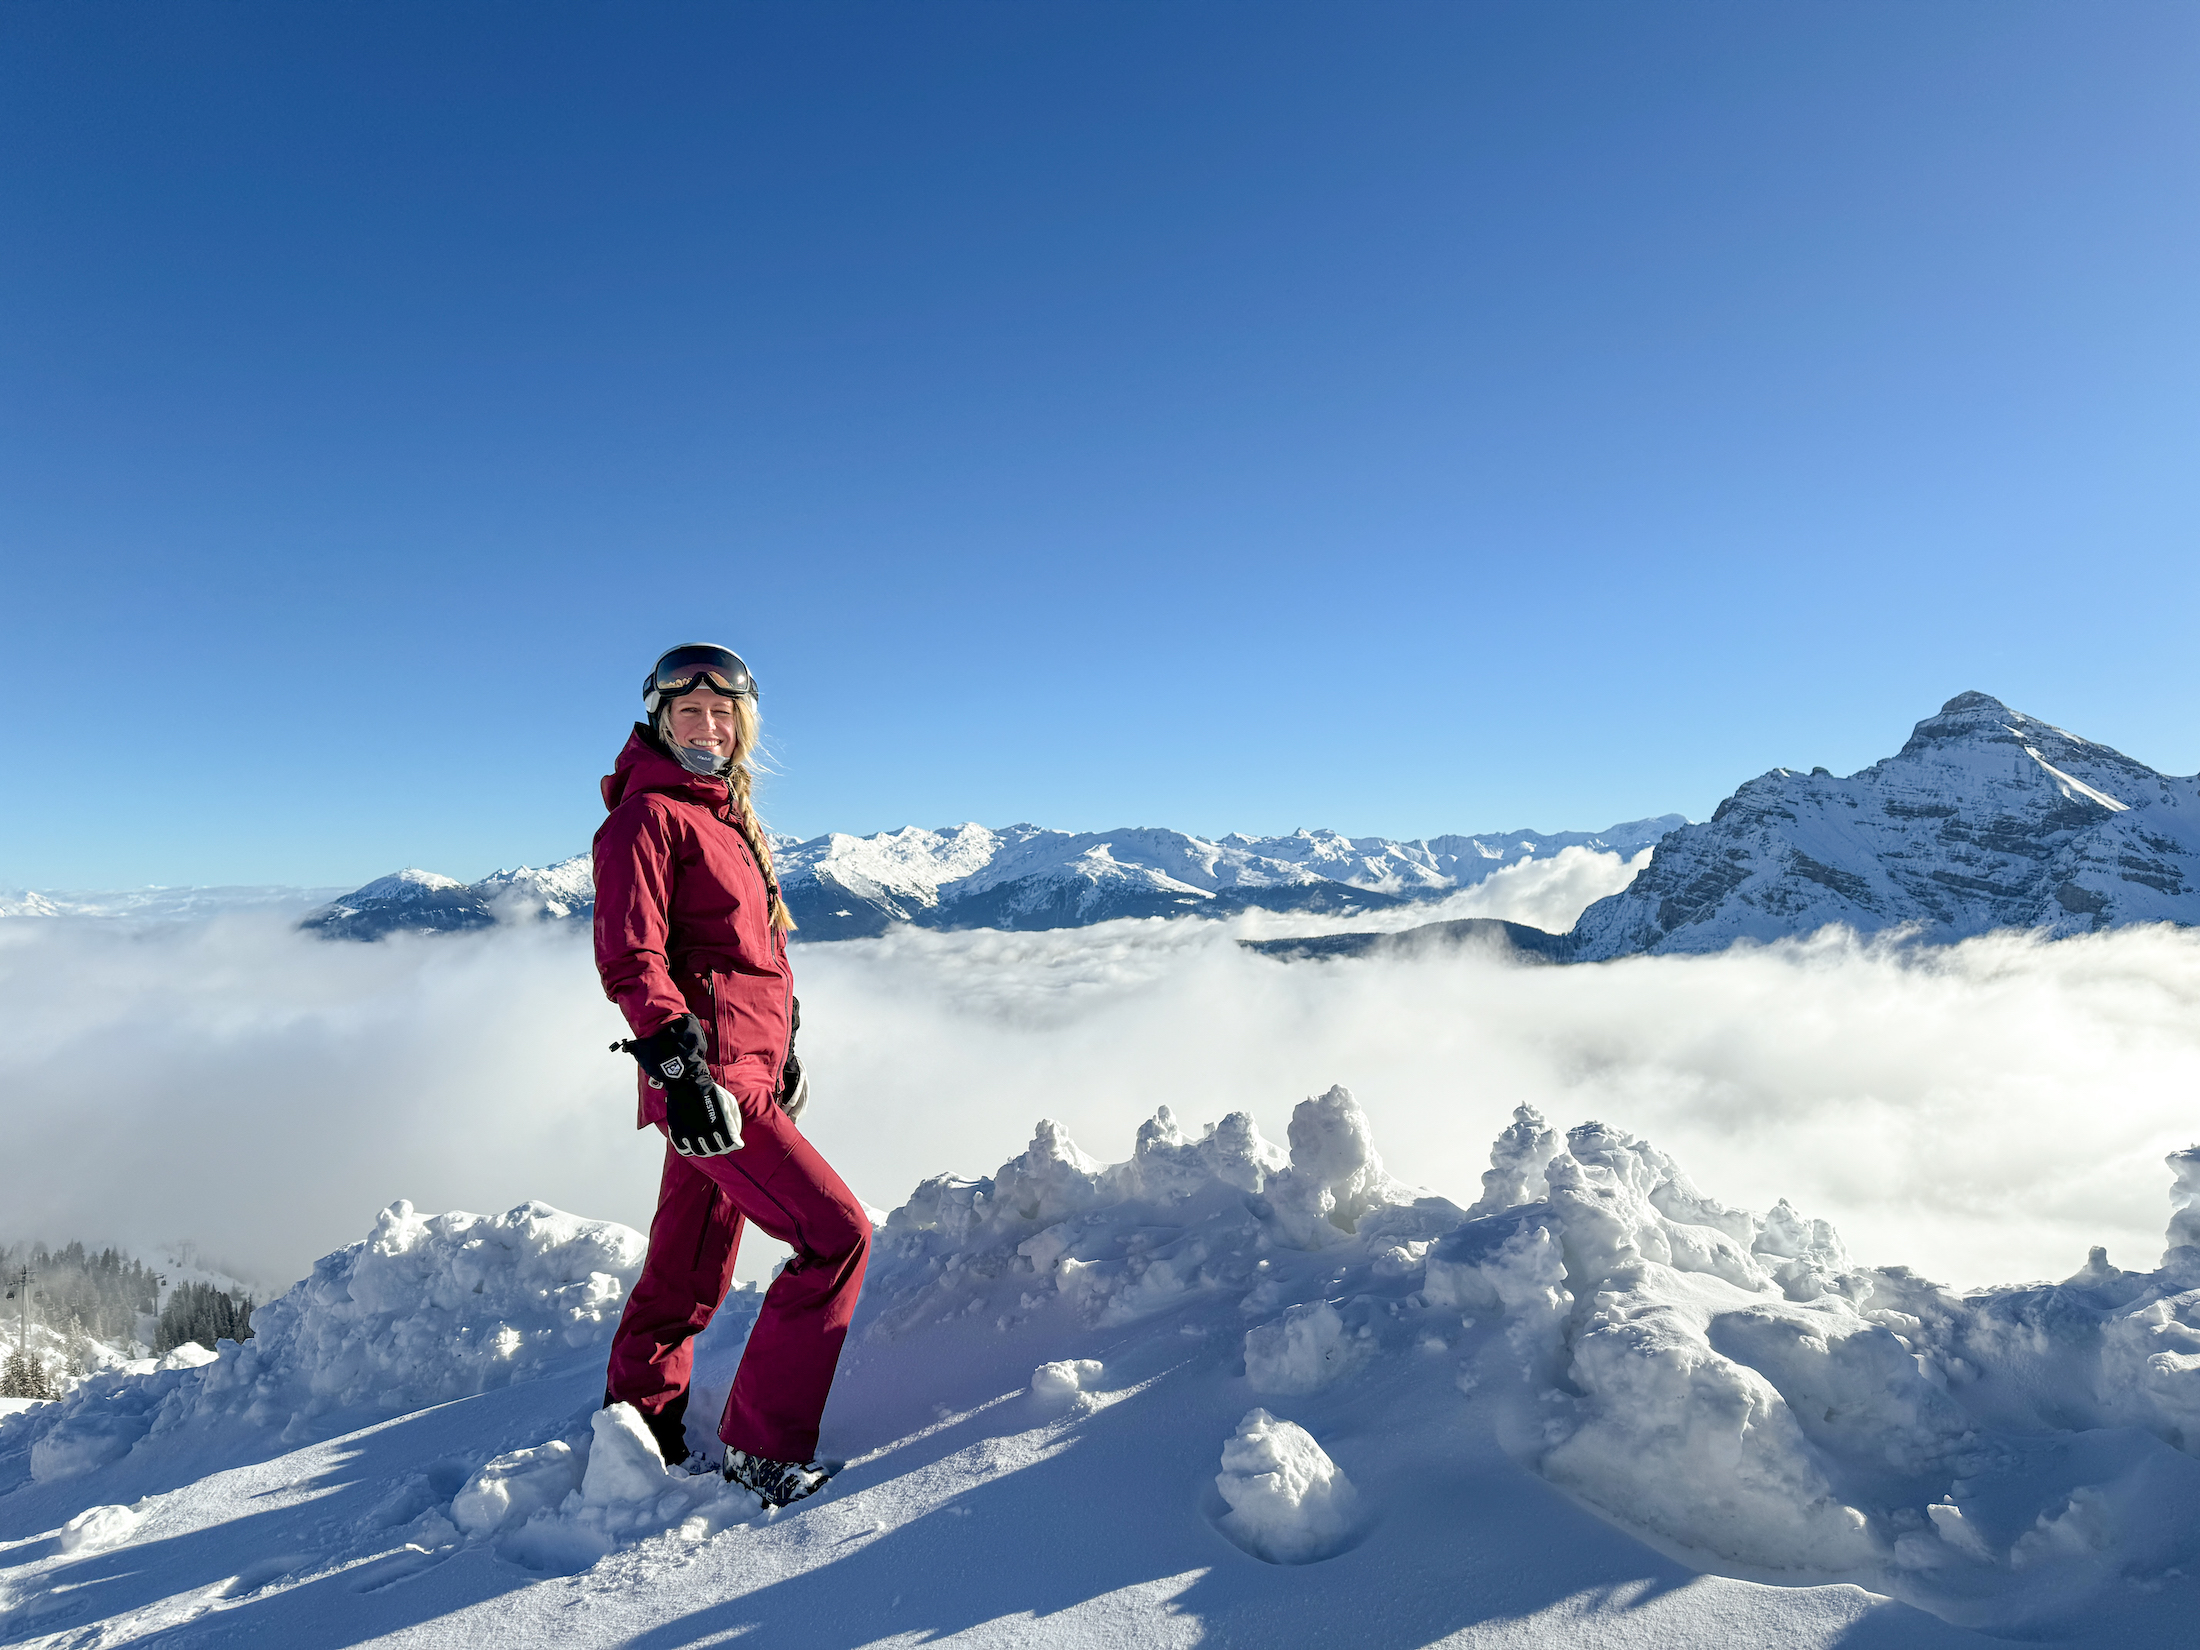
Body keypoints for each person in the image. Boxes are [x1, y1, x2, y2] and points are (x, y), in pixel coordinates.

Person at [592, 642, 870, 1508]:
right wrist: (683, 1073)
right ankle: (761, 1446)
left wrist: (783, 1050)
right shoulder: (648, 819)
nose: (707, 725)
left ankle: (636, 1434)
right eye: (689, 712)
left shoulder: (722, 818)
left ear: (740, 725)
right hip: (711, 1084)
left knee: (686, 1272)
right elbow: (632, 959)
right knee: (836, 1237)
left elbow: (750, 959)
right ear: (658, 718)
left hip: (740, 1070)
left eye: (722, 714)